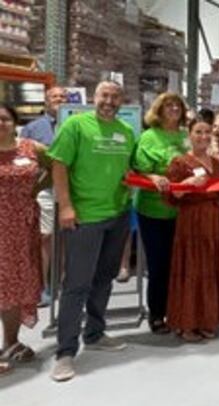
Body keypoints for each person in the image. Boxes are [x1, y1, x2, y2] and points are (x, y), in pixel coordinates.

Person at [48, 81, 136, 382]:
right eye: (104, 96)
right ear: (94, 98)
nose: (109, 101)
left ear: (122, 101)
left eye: (115, 97)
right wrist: (65, 207)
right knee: (77, 284)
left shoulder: (126, 132)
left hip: (118, 214)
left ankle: (95, 333)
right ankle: (65, 352)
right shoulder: (76, 125)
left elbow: (128, 169)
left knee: (104, 278)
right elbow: (58, 165)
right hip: (85, 217)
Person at [165, 118, 219, 342]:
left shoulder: (216, 162)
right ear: (189, 134)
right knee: (193, 268)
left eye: (207, 132)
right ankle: (187, 322)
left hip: (214, 220)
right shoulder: (180, 162)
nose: (203, 136)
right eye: (198, 132)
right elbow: (170, 195)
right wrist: (187, 184)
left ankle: (207, 318)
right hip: (192, 222)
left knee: (212, 267)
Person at [132, 92, 189, 335]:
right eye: (168, 105)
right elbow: (137, 169)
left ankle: (178, 310)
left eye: (177, 105)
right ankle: (157, 313)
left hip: (183, 210)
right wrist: (152, 176)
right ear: (158, 110)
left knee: (181, 264)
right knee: (159, 265)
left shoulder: (186, 135)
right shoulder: (148, 137)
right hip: (154, 210)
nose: (174, 109)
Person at [0, 104, 47, 375]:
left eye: (5, 118)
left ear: (15, 122)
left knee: (16, 282)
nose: (1, 123)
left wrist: (36, 188)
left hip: (21, 226)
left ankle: (11, 341)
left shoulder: (30, 148)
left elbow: (56, 168)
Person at [20, 86, 66, 307]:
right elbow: (24, 157)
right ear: (46, 101)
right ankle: (43, 286)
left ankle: (65, 281)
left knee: (68, 235)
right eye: (54, 96)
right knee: (45, 236)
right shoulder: (32, 128)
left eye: (63, 96)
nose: (59, 99)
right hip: (45, 189)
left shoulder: (76, 124)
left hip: (72, 188)